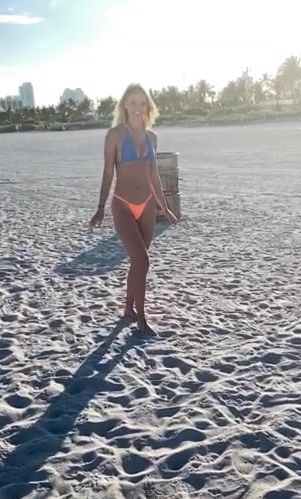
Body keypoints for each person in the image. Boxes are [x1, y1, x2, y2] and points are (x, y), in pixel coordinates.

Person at [90, 83, 177, 334]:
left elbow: (154, 176)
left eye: (142, 103)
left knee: (138, 262)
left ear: (148, 106)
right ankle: (141, 318)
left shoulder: (152, 137)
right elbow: (108, 172)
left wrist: (165, 208)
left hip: (147, 205)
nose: (138, 107)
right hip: (123, 204)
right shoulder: (115, 135)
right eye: (133, 102)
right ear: (124, 106)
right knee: (142, 259)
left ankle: (129, 308)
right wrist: (100, 207)